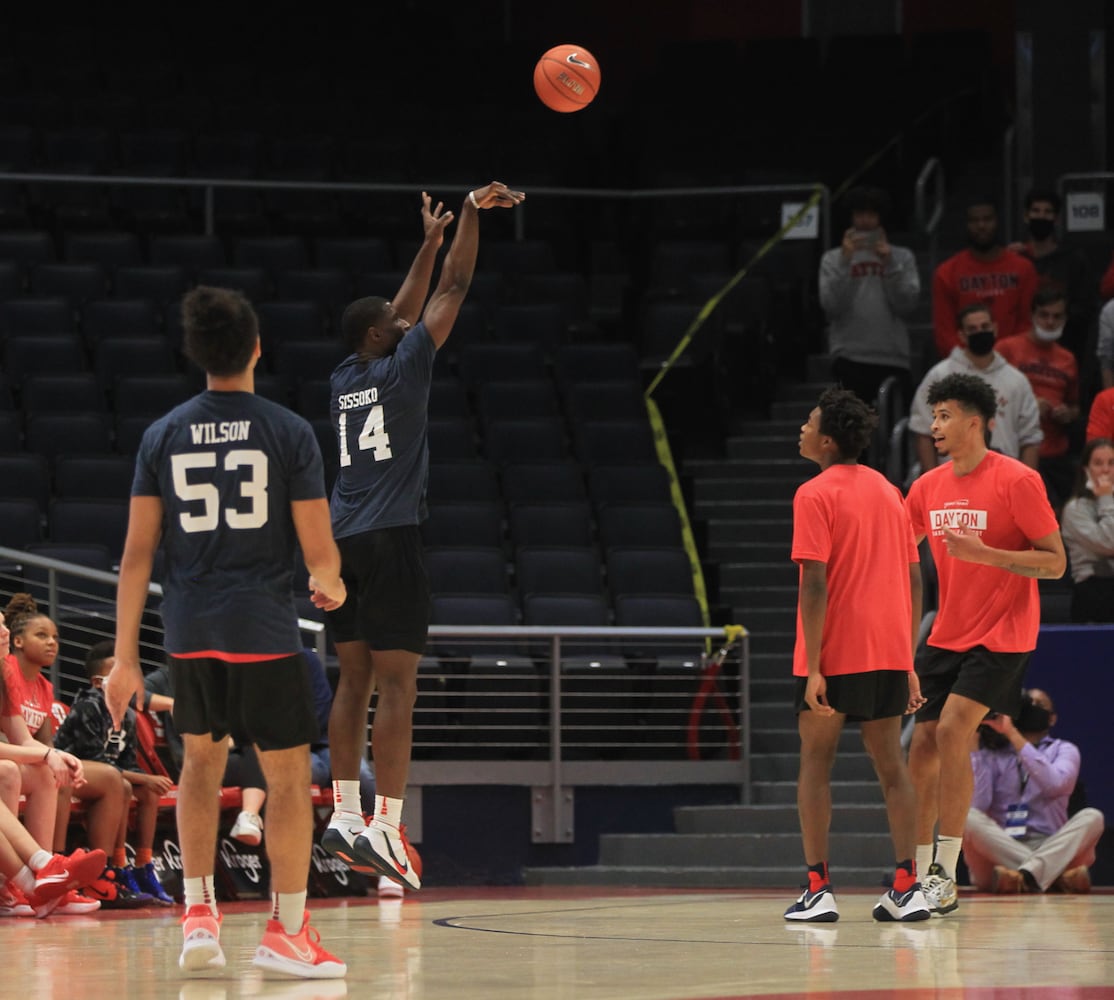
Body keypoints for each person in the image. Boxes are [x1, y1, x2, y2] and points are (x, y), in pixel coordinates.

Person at [105, 285, 348, 979]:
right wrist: (330, 583)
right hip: (264, 630)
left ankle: (199, 916)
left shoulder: (163, 434)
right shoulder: (288, 431)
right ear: (257, 348)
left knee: (201, 770)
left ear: (195, 355)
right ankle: (288, 932)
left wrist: (125, 658)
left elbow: (136, 555)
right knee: (288, 778)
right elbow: (319, 551)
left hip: (188, 631)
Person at [321, 182, 525, 889]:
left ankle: (344, 813)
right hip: (392, 537)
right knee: (399, 686)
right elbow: (456, 286)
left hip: (342, 543)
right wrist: (469, 215)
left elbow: (401, 307)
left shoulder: (345, 374)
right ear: (382, 336)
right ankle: (384, 825)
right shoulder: (407, 365)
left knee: (352, 679)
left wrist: (428, 241)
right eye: (395, 321)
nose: (407, 320)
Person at [904, 372, 1066, 916]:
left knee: (953, 729)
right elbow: (898, 549)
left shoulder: (1017, 481)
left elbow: (1055, 562)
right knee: (921, 747)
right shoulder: (927, 486)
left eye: (945, 416)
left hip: (1003, 634)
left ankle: (944, 876)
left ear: (976, 422)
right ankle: (918, 871)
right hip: (947, 632)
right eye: (934, 417)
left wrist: (988, 554)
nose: (935, 427)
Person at [784, 388, 929, 924]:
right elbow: (915, 577)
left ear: (826, 439)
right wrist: (909, 658)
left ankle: (818, 889)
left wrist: (815, 666)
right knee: (893, 767)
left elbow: (814, 583)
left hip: (834, 650)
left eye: (808, 421)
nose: (801, 428)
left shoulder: (813, 494)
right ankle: (906, 886)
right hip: (889, 650)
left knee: (814, 766)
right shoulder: (892, 492)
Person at [3, 593, 145, 909]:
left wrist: (54, 756)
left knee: (49, 771)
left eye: (55, 636)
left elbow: (31, 740)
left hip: (17, 760)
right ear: (18, 642)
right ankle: (42, 873)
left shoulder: (38, 683)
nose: (52, 642)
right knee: (16, 770)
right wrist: (46, 756)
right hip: (8, 764)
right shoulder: (9, 670)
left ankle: (56, 874)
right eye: (42, 635)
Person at [54, 640, 175, 905]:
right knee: (125, 784)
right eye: (115, 670)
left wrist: (144, 779)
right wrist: (143, 776)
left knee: (147, 791)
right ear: (99, 683)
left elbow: (128, 762)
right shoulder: (89, 706)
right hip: (77, 770)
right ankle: (105, 868)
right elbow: (93, 758)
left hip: (105, 775)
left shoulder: (129, 715)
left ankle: (140, 866)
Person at [964, 688, 1103, 894]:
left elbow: (1055, 784)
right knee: (968, 816)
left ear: (1052, 718)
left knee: (1093, 817)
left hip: (1052, 845)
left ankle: (1024, 877)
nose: (1031, 709)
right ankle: (1053, 878)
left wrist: (1013, 735)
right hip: (1001, 847)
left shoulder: (1064, 749)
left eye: (1039, 705)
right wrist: (974, 749)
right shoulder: (993, 754)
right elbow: (979, 805)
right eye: (1027, 704)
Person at [910, 303, 1042, 477]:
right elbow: (923, 432)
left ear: (995, 328)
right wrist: (933, 480)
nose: (980, 332)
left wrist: (1025, 483)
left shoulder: (1017, 381)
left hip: (1004, 478)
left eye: (985, 326)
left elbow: (1030, 438)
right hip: (953, 476)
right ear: (962, 336)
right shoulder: (940, 375)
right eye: (973, 329)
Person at [817, 185, 920, 409]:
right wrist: (845, 263)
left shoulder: (902, 257)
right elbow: (831, 306)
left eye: (871, 214)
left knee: (898, 432)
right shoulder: (832, 260)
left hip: (893, 356)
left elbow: (907, 305)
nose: (865, 221)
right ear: (851, 218)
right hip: (849, 356)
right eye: (859, 214)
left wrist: (890, 264)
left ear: (881, 218)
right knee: (853, 436)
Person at [995, 284, 1081, 511]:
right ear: (1033, 315)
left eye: (1057, 316)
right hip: (1014, 451)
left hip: (1054, 453)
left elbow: (1075, 406)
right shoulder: (1007, 348)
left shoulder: (1068, 359)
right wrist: (1028, 406)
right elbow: (989, 394)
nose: (1050, 322)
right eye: (1044, 315)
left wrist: (1067, 413)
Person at [932, 196, 1039, 358]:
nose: (981, 226)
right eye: (974, 221)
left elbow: (1027, 322)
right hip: (965, 365)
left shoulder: (1023, 268)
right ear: (966, 225)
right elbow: (944, 331)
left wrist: (1009, 358)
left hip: (1014, 363)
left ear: (997, 222)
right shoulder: (946, 273)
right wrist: (969, 361)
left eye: (987, 219)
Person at [1007, 188, 1097, 368]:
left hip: (1063, 349)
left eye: (1047, 212)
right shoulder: (1014, 259)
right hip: (1020, 349)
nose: (1041, 216)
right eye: (1036, 211)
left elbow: (1085, 307)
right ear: (1026, 216)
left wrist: (1054, 322)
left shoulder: (1073, 260)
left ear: (1056, 218)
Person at [1059, 437, 1114, 623]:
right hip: (1093, 595)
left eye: (1111, 463)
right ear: (1086, 470)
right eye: (1098, 463)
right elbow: (1108, 543)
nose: (1106, 470)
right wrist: (1106, 499)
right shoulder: (1075, 509)